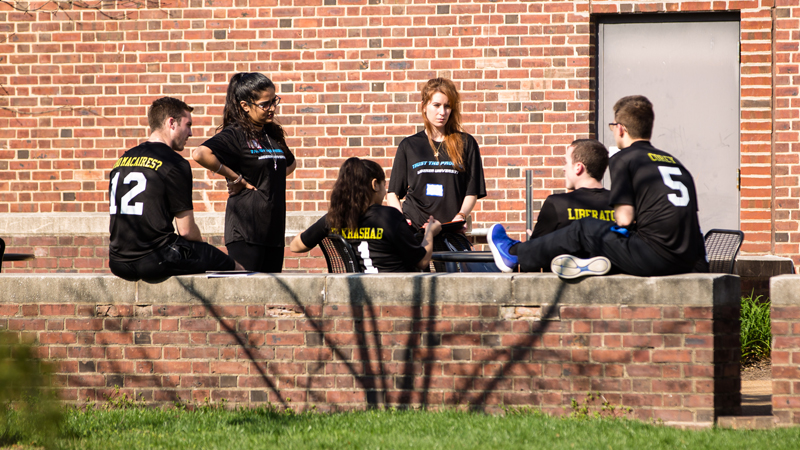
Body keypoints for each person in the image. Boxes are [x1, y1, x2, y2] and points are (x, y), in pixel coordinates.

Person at [487, 95, 707, 279]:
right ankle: (597, 262)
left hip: (656, 258)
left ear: (620, 129)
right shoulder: (675, 163)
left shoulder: (626, 158)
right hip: (689, 260)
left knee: (584, 229)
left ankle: (514, 254)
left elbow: (624, 218)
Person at [108, 97, 236, 282]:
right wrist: (202, 250)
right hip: (154, 260)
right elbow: (186, 231)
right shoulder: (174, 163)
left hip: (117, 262)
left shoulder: (122, 161)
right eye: (188, 125)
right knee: (225, 262)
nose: (190, 133)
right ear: (171, 123)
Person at [192, 73, 296, 272]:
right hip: (245, 230)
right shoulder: (236, 134)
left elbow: (290, 164)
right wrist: (235, 177)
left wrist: (269, 178)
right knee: (249, 298)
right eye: (265, 104)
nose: (272, 108)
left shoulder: (271, 133)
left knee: (272, 297)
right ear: (245, 105)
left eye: (274, 101)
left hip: (273, 232)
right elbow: (200, 154)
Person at [290, 157, 442, 272]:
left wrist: (317, 230)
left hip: (358, 296)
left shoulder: (334, 218)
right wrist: (430, 232)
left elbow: (295, 246)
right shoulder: (389, 217)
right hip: (397, 296)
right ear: (374, 184)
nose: (384, 191)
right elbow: (422, 261)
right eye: (384, 185)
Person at [387, 78, 486, 230]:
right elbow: (393, 193)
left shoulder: (466, 143)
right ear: (424, 106)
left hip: (450, 229)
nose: (442, 112)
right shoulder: (409, 146)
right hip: (415, 231)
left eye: (447, 106)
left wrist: (461, 215)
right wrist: (400, 221)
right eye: (437, 105)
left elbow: (472, 191)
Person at [529, 139, 615, 240]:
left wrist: (533, 243)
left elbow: (537, 250)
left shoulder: (557, 204)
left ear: (578, 168)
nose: (564, 168)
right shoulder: (620, 205)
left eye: (566, 162)